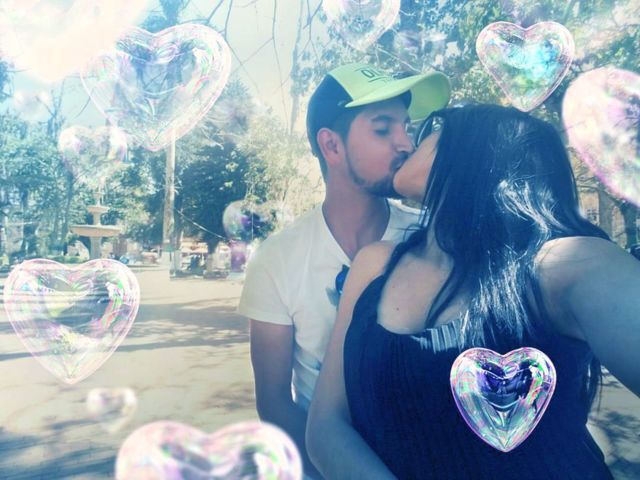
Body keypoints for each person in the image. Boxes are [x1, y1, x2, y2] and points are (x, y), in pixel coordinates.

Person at [307, 104, 640, 479]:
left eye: (428, 128)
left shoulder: (569, 264)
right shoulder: (373, 266)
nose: (406, 143)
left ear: (479, 147)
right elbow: (325, 426)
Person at [237, 63, 451, 478]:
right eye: (383, 129)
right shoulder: (277, 259)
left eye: (406, 127)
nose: (406, 143)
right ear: (331, 146)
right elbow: (275, 403)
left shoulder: (433, 237)